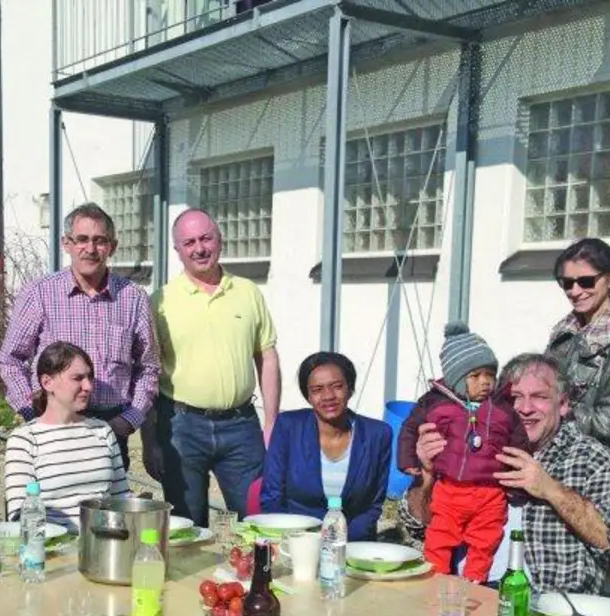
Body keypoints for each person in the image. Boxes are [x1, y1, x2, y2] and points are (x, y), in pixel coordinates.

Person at [414, 353, 610, 594]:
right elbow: (414, 526)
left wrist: (550, 489)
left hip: (547, 609)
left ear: (563, 404)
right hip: (460, 594)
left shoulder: (592, 459)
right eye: (515, 397)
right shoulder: (465, 444)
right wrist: (427, 475)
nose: (524, 409)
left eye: (539, 397)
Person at [0, 203, 160, 465]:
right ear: (66, 243)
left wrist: (130, 419)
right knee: (51, 504)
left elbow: (149, 367)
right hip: (52, 426)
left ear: (112, 247)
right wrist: (31, 412)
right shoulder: (39, 293)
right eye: (81, 239)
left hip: (110, 428)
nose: (90, 249)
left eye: (100, 241)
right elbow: (10, 360)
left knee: (106, 503)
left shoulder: (133, 298)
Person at [149, 208, 280, 526]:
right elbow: (148, 372)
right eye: (189, 242)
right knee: (187, 526)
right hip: (181, 426)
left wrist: (271, 423)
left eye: (206, 238)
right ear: (177, 250)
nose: (199, 248)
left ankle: (253, 577)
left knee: (257, 521)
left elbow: (267, 356)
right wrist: (151, 438)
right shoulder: (160, 301)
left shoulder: (247, 292)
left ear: (219, 240)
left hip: (241, 425)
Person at [409, 325, 522, 580]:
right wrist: (410, 462)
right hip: (450, 488)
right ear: (458, 379)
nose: (485, 382)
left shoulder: (501, 409)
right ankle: (435, 582)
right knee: (439, 538)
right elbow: (410, 428)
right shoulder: (438, 404)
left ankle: (474, 583)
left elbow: (518, 441)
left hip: (490, 491)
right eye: (475, 375)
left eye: (490, 375)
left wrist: (515, 479)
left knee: (485, 540)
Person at [259, 352, 391, 541]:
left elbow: (373, 504)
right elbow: (272, 495)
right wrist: (289, 541)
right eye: (317, 389)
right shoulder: (288, 427)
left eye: (337, 387)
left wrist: (340, 543)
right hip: (295, 541)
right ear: (308, 396)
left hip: (352, 543)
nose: (328, 396)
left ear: (350, 389)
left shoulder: (377, 434)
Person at [4, 342, 129, 530]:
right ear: (47, 382)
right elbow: (19, 516)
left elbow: (122, 499)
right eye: (77, 378)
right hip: (51, 549)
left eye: (89, 377)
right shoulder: (25, 439)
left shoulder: (102, 431)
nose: (87, 386)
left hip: (104, 544)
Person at [544, 238, 610, 451]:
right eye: (567, 283)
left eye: (586, 281)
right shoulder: (563, 333)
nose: (574, 291)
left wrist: (552, 414)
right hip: (547, 451)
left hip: (592, 464)